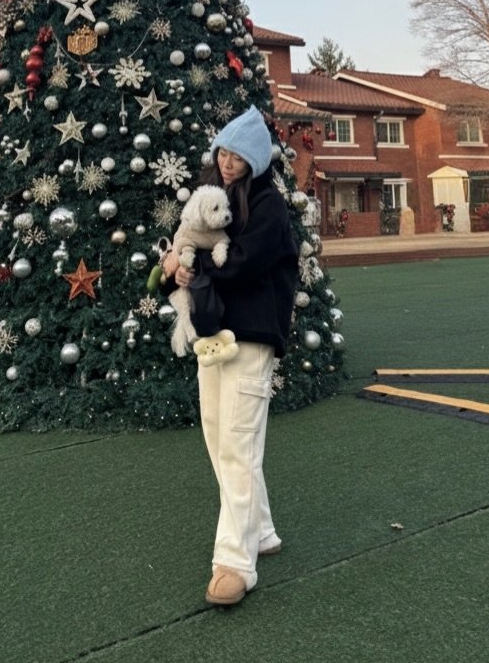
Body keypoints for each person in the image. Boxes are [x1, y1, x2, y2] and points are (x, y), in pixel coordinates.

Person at [161, 106, 299, 607]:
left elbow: (241, 264)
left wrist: (192, 263)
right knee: (220, 437)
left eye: (237, 156)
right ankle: (260, 530)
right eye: (223, 152)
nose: (227, 162)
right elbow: (190, 248)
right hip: (212, 333)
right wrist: (174, 265)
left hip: (251, 337)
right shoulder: (211, 197)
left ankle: (235, 563)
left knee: (238, 443)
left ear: (255, 161)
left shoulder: (269, 207)